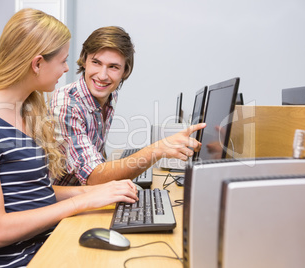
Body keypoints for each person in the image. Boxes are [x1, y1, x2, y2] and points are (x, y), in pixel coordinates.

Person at [0, 8, 138, 267]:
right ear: (37, 63)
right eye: (62, 61)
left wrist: (98, 191)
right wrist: (83, 201)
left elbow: (38, 192)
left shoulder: (28, 111)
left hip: (54, 239)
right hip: (30, 259)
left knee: (141, 249)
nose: (66, 69)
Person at [49, 26, 206, 186]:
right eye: (96, 63)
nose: (102, 76)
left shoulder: (110, 94)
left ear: (125, 70)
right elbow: (94, 177)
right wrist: (156, 150)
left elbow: (95, 150)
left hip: (86, 195)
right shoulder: (67, 105)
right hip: (60, 203)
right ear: (84, 61)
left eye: (113, 67)